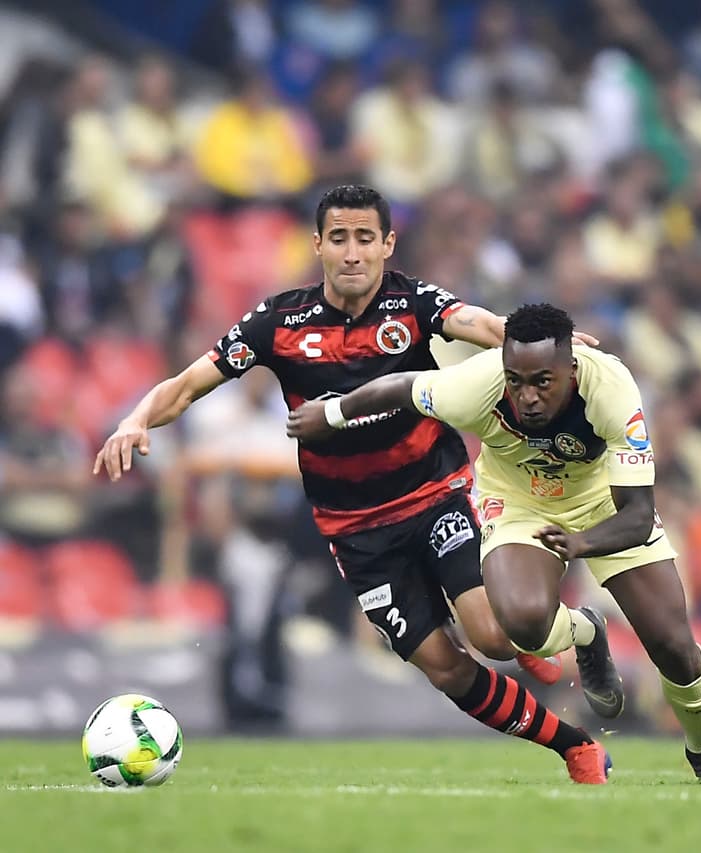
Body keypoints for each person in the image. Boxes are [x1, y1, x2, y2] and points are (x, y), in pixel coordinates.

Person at [93, 185, 611, 784]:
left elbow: (479, 323)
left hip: (433, 495)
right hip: (356, 531)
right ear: (318, 245)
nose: (353, 252)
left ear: (387, 244)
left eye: (366, 238)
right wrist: (135, 419)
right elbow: (187, 385)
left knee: (491, 637)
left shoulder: (412, 302)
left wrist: (553, 353)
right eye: (339, 238)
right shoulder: (278, 322)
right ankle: (577, 747)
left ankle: (549, 634)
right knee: (444, 667)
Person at [288, 303, 701, 783]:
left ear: (571, 370)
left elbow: (636, 515)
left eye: (542, 382)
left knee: (674, 645)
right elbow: (402, 388)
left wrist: (579, 543)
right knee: (522, 625)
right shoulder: (476, 386)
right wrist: (334, 412)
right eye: (516, 381)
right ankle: (586, 632)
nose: (527, 396)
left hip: (603, 504)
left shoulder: (612, 389)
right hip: (518, 503)